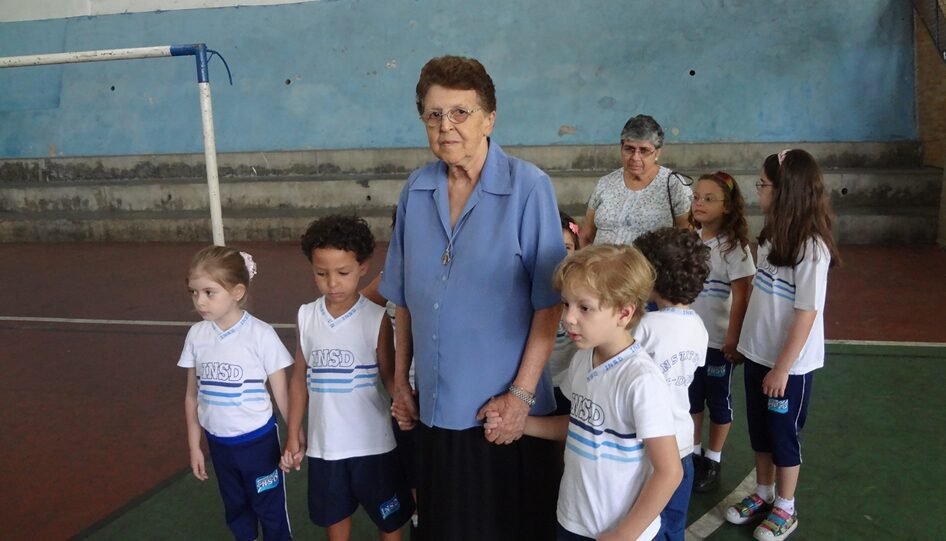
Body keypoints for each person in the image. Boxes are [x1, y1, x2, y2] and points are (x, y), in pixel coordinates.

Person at [380, 55, 567, 541]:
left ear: (489, 118)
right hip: (436, 413)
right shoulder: (415, 190)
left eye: (460, 113)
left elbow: (549, 305)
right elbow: (401, 300)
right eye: (433, 115)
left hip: (501, 416)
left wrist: (521, 398)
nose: (446, 127)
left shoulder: (529, 188)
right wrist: (401, 382)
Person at [486, 244, 682, 540]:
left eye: (584, 307)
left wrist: (624, 534)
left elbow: (669, 472)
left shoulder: (640, 381)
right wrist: (519, 423)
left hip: (617, 532)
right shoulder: (582, 359)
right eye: (566, 304)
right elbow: (581, 426)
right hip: (572, 520)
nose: (568, 318)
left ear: (624, 312)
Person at [726, 150, 840, 541]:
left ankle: (786, 507)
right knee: (759, 430)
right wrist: (745, 344)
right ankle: (762, 493)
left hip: (787, 367)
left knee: (782, 435)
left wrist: (782, 367)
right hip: (759, 355)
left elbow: (806, 314)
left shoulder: (812, 249)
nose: (758, 189)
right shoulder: (774, 234)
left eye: (763, 183)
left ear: (785, 190)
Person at [282, 215, 414, 541]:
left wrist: (404, 402)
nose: (332, 283)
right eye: (321, 273)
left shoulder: (377, 318)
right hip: (326, 447)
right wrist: (294, 431)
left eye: (343, 273)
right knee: (336, 521)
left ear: (363, 267)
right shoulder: (306, 316)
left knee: (390, 522)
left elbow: (389, 374)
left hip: (374, 444)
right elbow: (299, 379)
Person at [178, 246, 293, 541]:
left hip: (258, 444)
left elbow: (281, 392)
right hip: (219, 446)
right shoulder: (197, 335)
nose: (199, 302)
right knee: (236, 510)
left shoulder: (261, 334)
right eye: (194, 292)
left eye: (209, 292)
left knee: (269, 509)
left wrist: (294, 438)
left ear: (237, 292)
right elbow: (193, 396)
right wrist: (195, 446)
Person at [632, 228, 710, 541]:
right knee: (673, 525)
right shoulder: (698, 326)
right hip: (682, 443)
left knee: (644, 523)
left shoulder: (645, 327)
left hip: (649, 445)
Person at [688, 171, 755, 492]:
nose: (699, 203)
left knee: (718, 400)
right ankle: (693, 454)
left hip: (717, 342)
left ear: (727, 207)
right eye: (696, 197)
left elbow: (743, 294)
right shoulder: (689, 241)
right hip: (690, 342)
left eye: (708, 198)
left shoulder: (734, 248)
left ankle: (713, 457)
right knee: (692, 400)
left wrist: (734, 338)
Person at [580, 114, 692, 247]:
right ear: (621, 148)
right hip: (601, 265)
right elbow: (586, 236)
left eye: (644, 150)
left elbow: (686, 240)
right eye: (629, 149)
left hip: (649, 267)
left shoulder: (674, 185)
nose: (635, 157)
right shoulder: (605, 183)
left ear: (657, 153)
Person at [548, 210, 581, 414]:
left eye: (567, 248)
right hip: (537, 384)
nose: (559, 255)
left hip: (569, 384)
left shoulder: (582, 290)